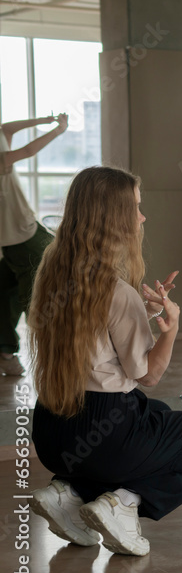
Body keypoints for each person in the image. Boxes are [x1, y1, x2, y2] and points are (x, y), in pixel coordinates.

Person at [28, 167, 182, 556]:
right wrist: (171, 328)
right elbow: (148, 375)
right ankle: (123, 503)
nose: (142, 217)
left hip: (51, 431)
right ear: (114, 217)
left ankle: (67, 491)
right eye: (136, 208)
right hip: (104, 432)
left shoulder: (51, 277)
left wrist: (141, 314)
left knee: (156, 416)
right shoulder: (117, 292)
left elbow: (94, 338)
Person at [0, 113, 68, 376]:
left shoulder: (1, 133)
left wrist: (44, 120)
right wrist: (58, 130)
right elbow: (28, 151)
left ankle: (6, 353)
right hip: (23, 239)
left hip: (17, 238)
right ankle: (55, 356)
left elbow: (8, 128)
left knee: (7, 293)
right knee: (38, 296)